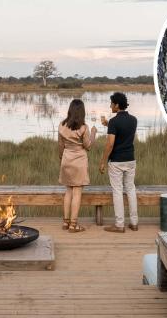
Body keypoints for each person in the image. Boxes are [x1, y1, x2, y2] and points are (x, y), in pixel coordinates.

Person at [99, 92, 138, 233]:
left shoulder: (114, 122)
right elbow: (124, 131)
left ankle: (119, 225)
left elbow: (110, 144)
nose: (110, 106)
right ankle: (134, 223)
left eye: (111, 104)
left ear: (116, 105)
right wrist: (107, 124)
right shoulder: (133, 120)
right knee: (130, 189)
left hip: (116, 161)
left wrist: (103, 161)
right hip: (130, 159)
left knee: (117, 191)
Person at [58, 99, 97, 233]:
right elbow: (88, 146)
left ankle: (65, 222)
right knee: (77, 192)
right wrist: (93, 133)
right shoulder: (83, 128)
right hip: (79, 160)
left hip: (66, 159)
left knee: (68, 191)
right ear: (82, 112)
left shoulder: (61, 125)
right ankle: (73, 225)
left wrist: (62, 159)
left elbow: (60, 147)